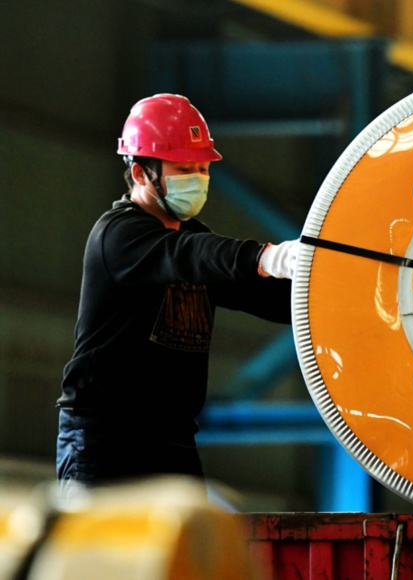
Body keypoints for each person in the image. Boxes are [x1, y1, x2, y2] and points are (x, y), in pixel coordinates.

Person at [56, 93, 299, 490]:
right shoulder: (119, 236)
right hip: (104, 443)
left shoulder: (193, 240)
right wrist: (269, 256)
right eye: (185, 168)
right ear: (140, 173)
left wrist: (327, 295)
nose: (199, 180)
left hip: (173, 442)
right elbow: (187, 255)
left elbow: (259, 293)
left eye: (203, 169)